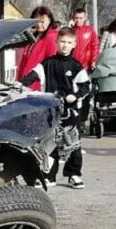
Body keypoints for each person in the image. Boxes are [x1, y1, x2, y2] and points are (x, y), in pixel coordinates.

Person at [20, 28, 90, 189]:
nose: (65, 46)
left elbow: (86, 87)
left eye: (69, 43)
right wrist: (19, 85)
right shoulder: (47, 63)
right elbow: (31, 76)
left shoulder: (76, 66)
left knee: (73, 143)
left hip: (71, 112)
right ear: (56, 42)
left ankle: (74, 174)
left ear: (74, 44)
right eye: (62, 42)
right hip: (50, 111)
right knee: (49, 143)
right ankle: (49, 176)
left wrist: (75, 95)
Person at [19, 6, 59, 89]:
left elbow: (51, 64)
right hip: (27, 81)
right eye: (36, 21)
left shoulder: (51, 37)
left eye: (42, 22)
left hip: (38, 83)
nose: (39, 25)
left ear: (50, 20)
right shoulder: (34, 35)